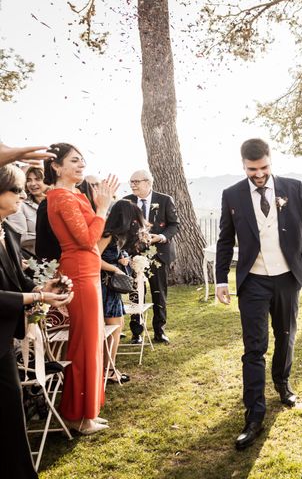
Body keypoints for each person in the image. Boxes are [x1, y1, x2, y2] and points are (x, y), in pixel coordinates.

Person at [215, 138, 302, 450]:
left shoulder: (292, 187)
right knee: (254, 347)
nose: (258, 174)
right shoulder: (231, 194)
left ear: (272, 161)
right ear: (243, 165)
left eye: (263, 168)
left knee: (285, 335)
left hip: (287, 277)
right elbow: (225, 240)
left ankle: (282, 383)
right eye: (252, 169)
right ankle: (254, 413)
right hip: (253, 281)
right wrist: (220, 280)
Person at [0, 164, 73, 479]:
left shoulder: (9, 232)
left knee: (11, 415)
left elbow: (18, 281)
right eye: (14, 190)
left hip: (2, 343)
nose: (21, 195)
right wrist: (35, 299)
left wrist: (46, 289)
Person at [44, 143, 119, 435]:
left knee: (93, 340)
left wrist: (99, 206)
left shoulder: (75, 193)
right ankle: (77, 414)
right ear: (56, 166)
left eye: (83, 161)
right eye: (74, 161)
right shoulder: (60, 196)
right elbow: (88, 239)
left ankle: (89, 411)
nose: (81, 165)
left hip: (88, 270)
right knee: (83, 344)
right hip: (78, 271)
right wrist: (103, 208)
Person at [124, 170, 179, 344]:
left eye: (136, 182)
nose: (133, 185)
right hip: (134, 255)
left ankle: (159, 331)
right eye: (131, 182)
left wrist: (161, 237)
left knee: (159, 292)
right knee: (136, 293)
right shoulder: (126, 202)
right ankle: (136, 333)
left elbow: (174, 225)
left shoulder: (164, 200)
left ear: (148, 182)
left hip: (159, 254)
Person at [97, 199, 146, 384]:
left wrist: (122, 259)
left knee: (117, 326)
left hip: (111, 287)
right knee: (114, 328)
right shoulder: (107, 234)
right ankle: (108, 370)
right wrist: (114, 268)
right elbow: (93, 258)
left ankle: (108, 367)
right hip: (104, 285)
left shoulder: (117, 236)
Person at [6, 166, 48, 257]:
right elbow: (18, 237)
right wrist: (50, 237)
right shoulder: (19, 205)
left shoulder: (55, 202)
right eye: (29, 180)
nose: (32, 184)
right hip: (35, 259)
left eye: (37, 179)